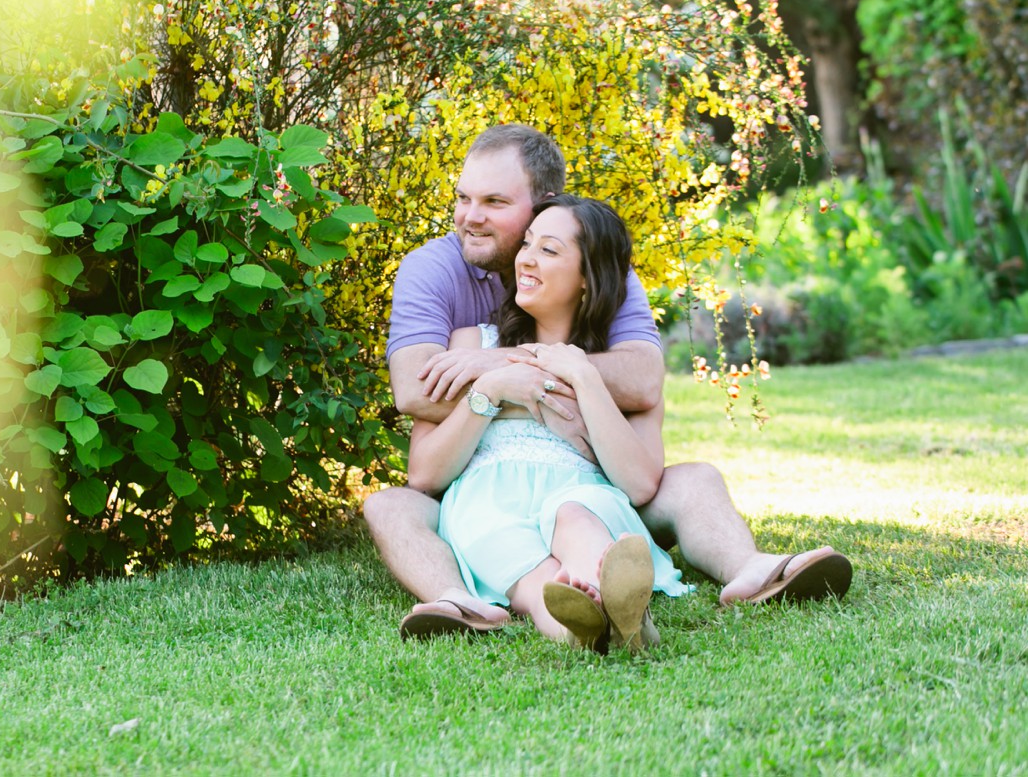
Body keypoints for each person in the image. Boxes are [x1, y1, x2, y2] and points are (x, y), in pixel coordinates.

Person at [365, 124, 851, 639]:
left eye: (495, 201)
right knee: (396, 507)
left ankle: (733, 572)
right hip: (484, 488)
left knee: (632, 498)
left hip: (587, 483)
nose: (470, 217)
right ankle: (469, 600)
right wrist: (506, 386)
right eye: (463, 198)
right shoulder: (437, 275)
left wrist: (549, 371)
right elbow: (418, 393)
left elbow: (641, 385)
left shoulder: (603, 269)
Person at [415, 193, 690, 652]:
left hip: (581, 492)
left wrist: (582, 374)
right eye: (526, 244)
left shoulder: (615, 370)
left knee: (576, 516)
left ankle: (615, 604)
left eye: (549, 250)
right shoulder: (470, 345)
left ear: (588, 278)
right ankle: (583, 627)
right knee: (524, 563)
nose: (526, 259)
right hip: (487, 499)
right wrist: (494, 388)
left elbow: (640, 484)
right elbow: (424, 473)